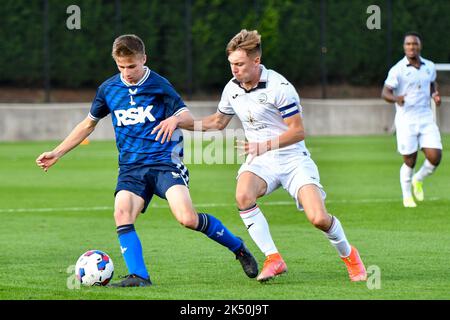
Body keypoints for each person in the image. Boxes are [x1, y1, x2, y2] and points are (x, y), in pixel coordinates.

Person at [35, 34, 258, 287]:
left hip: (165, 163)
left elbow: (185, 114)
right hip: (131, 168)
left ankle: (238, 248)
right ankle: (139, 276)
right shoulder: (109, 89)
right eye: (121, 67)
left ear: (144, 59)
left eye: (132, 66)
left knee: (187, 219)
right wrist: (57, 152)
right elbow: (88, 124)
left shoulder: (159, 85)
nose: (127, 72)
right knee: (122, 213)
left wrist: (175, 119)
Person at [153, 29, 367, 282]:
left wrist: (264, 145)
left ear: (256, 61)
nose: (234, 69)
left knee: (318, 218)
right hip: (261, 160)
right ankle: (273, 258)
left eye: (240, 64)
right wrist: (178, 122)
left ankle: (350, 257)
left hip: (292, 158)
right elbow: (218, 122)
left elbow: (298, 132)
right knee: (243, 196)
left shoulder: (280, 87)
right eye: (231, 64)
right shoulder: (232, 88)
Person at [382, 31, 442, 208]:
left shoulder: (429, 66)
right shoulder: (397, 69)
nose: (411, 47)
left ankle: (418, 178)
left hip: (425, 117)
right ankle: (407, 195)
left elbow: (432, 84)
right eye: (408, 44)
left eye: (414, 44)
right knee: (410, 160)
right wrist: (396, 98)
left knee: (435, 156)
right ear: (404, 47)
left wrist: (435, 95)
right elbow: (385, 92)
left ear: (419, 46)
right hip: (406, 120)